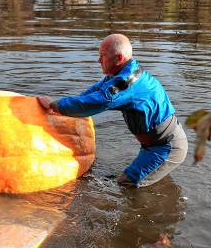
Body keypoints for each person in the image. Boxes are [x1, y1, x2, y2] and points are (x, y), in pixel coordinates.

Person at [38, 34, 187, 187]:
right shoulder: (122, 73)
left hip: (166, 146)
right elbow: (95, 92)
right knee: (139, 180)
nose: (98, 61)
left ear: (119, 58)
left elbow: (97, 102)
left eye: (102, 56)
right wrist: (67, 106)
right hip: (155, 143)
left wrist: (55, 105)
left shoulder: (125, 83)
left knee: (126, 183)